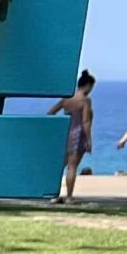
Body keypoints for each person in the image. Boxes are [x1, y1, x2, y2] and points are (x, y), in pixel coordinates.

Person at [48, 70, 95, 202]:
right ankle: (69, 196)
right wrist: (89, 139)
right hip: (78, 134)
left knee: (60, 166)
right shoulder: (85, 100)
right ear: (87, 85)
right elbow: (85, 121)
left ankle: (53, 195)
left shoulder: (66, 98)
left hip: (65, 133)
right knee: (72, 167)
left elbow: (51, 113)